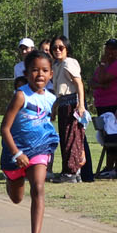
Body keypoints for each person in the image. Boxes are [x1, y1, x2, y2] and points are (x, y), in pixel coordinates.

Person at [0, 49, 58, 233]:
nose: (40, 75)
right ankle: (11, 178)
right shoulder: (21, 95)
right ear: (26, 72)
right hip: (16, 154)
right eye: (35, 70)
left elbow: (49, 122)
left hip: (39, 150)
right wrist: (16, 154)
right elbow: (4, 128)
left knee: (39, 188)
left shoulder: (52, 99)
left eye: (44, 71)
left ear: (51, 74)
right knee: (17, 198)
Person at [48, 37, 88, 182]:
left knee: (73, 137)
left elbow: (79, 84)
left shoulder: (68, 63)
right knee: (66, 138)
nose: (57, 50)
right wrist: (54, 108)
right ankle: (69, 171)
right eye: (54, 48)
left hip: (73, 104)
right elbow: (59, 90)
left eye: (61, 47)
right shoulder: (57, 65)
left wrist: (81, 104)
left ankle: (71, 171)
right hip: (63, 105)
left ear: (67, 49)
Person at [91, 38, 117, 177]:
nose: (109, 51)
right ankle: (113, 167)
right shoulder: (102, 66)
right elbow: (92, 83)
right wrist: (100, 83)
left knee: (114, 136)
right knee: (106, 135)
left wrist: (102, 66)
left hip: (113, 104)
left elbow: (102, 79)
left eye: (112, 49)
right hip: (101, 104)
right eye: (107, 48)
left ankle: (114, 167)